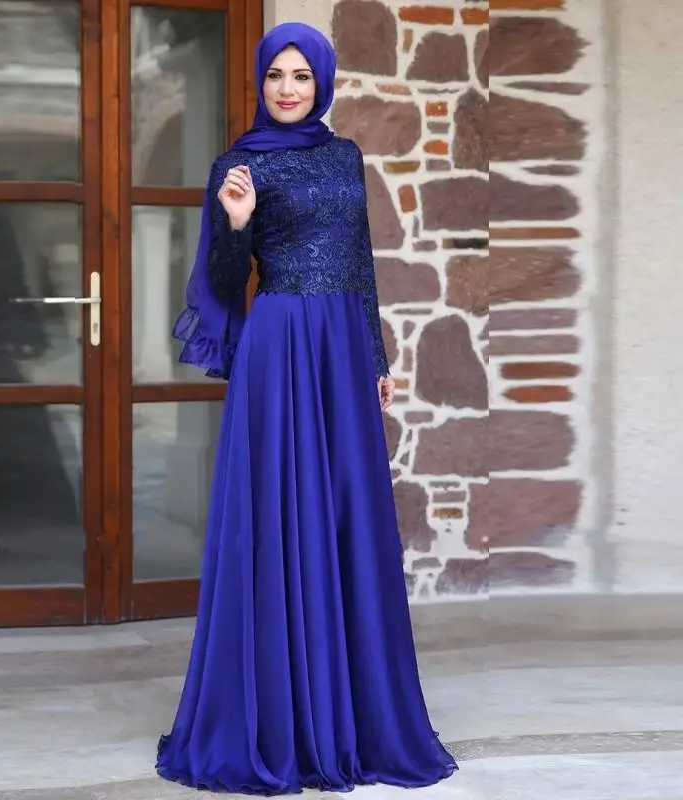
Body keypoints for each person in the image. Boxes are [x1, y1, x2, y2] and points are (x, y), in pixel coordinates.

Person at [156, 22, 458, 795]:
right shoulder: (240, 165)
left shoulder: (344, 157)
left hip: (340, 351)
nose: (287, 89)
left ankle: (353, 717)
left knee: (347, 513)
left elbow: (359, 266)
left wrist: (376, 359)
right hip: (280, 343)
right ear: (260, 82)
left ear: (322, 81)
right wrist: (234, 223)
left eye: (300, 76)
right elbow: (225, 281)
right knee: (276, 516)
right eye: (275, 76)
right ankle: (280, 721)